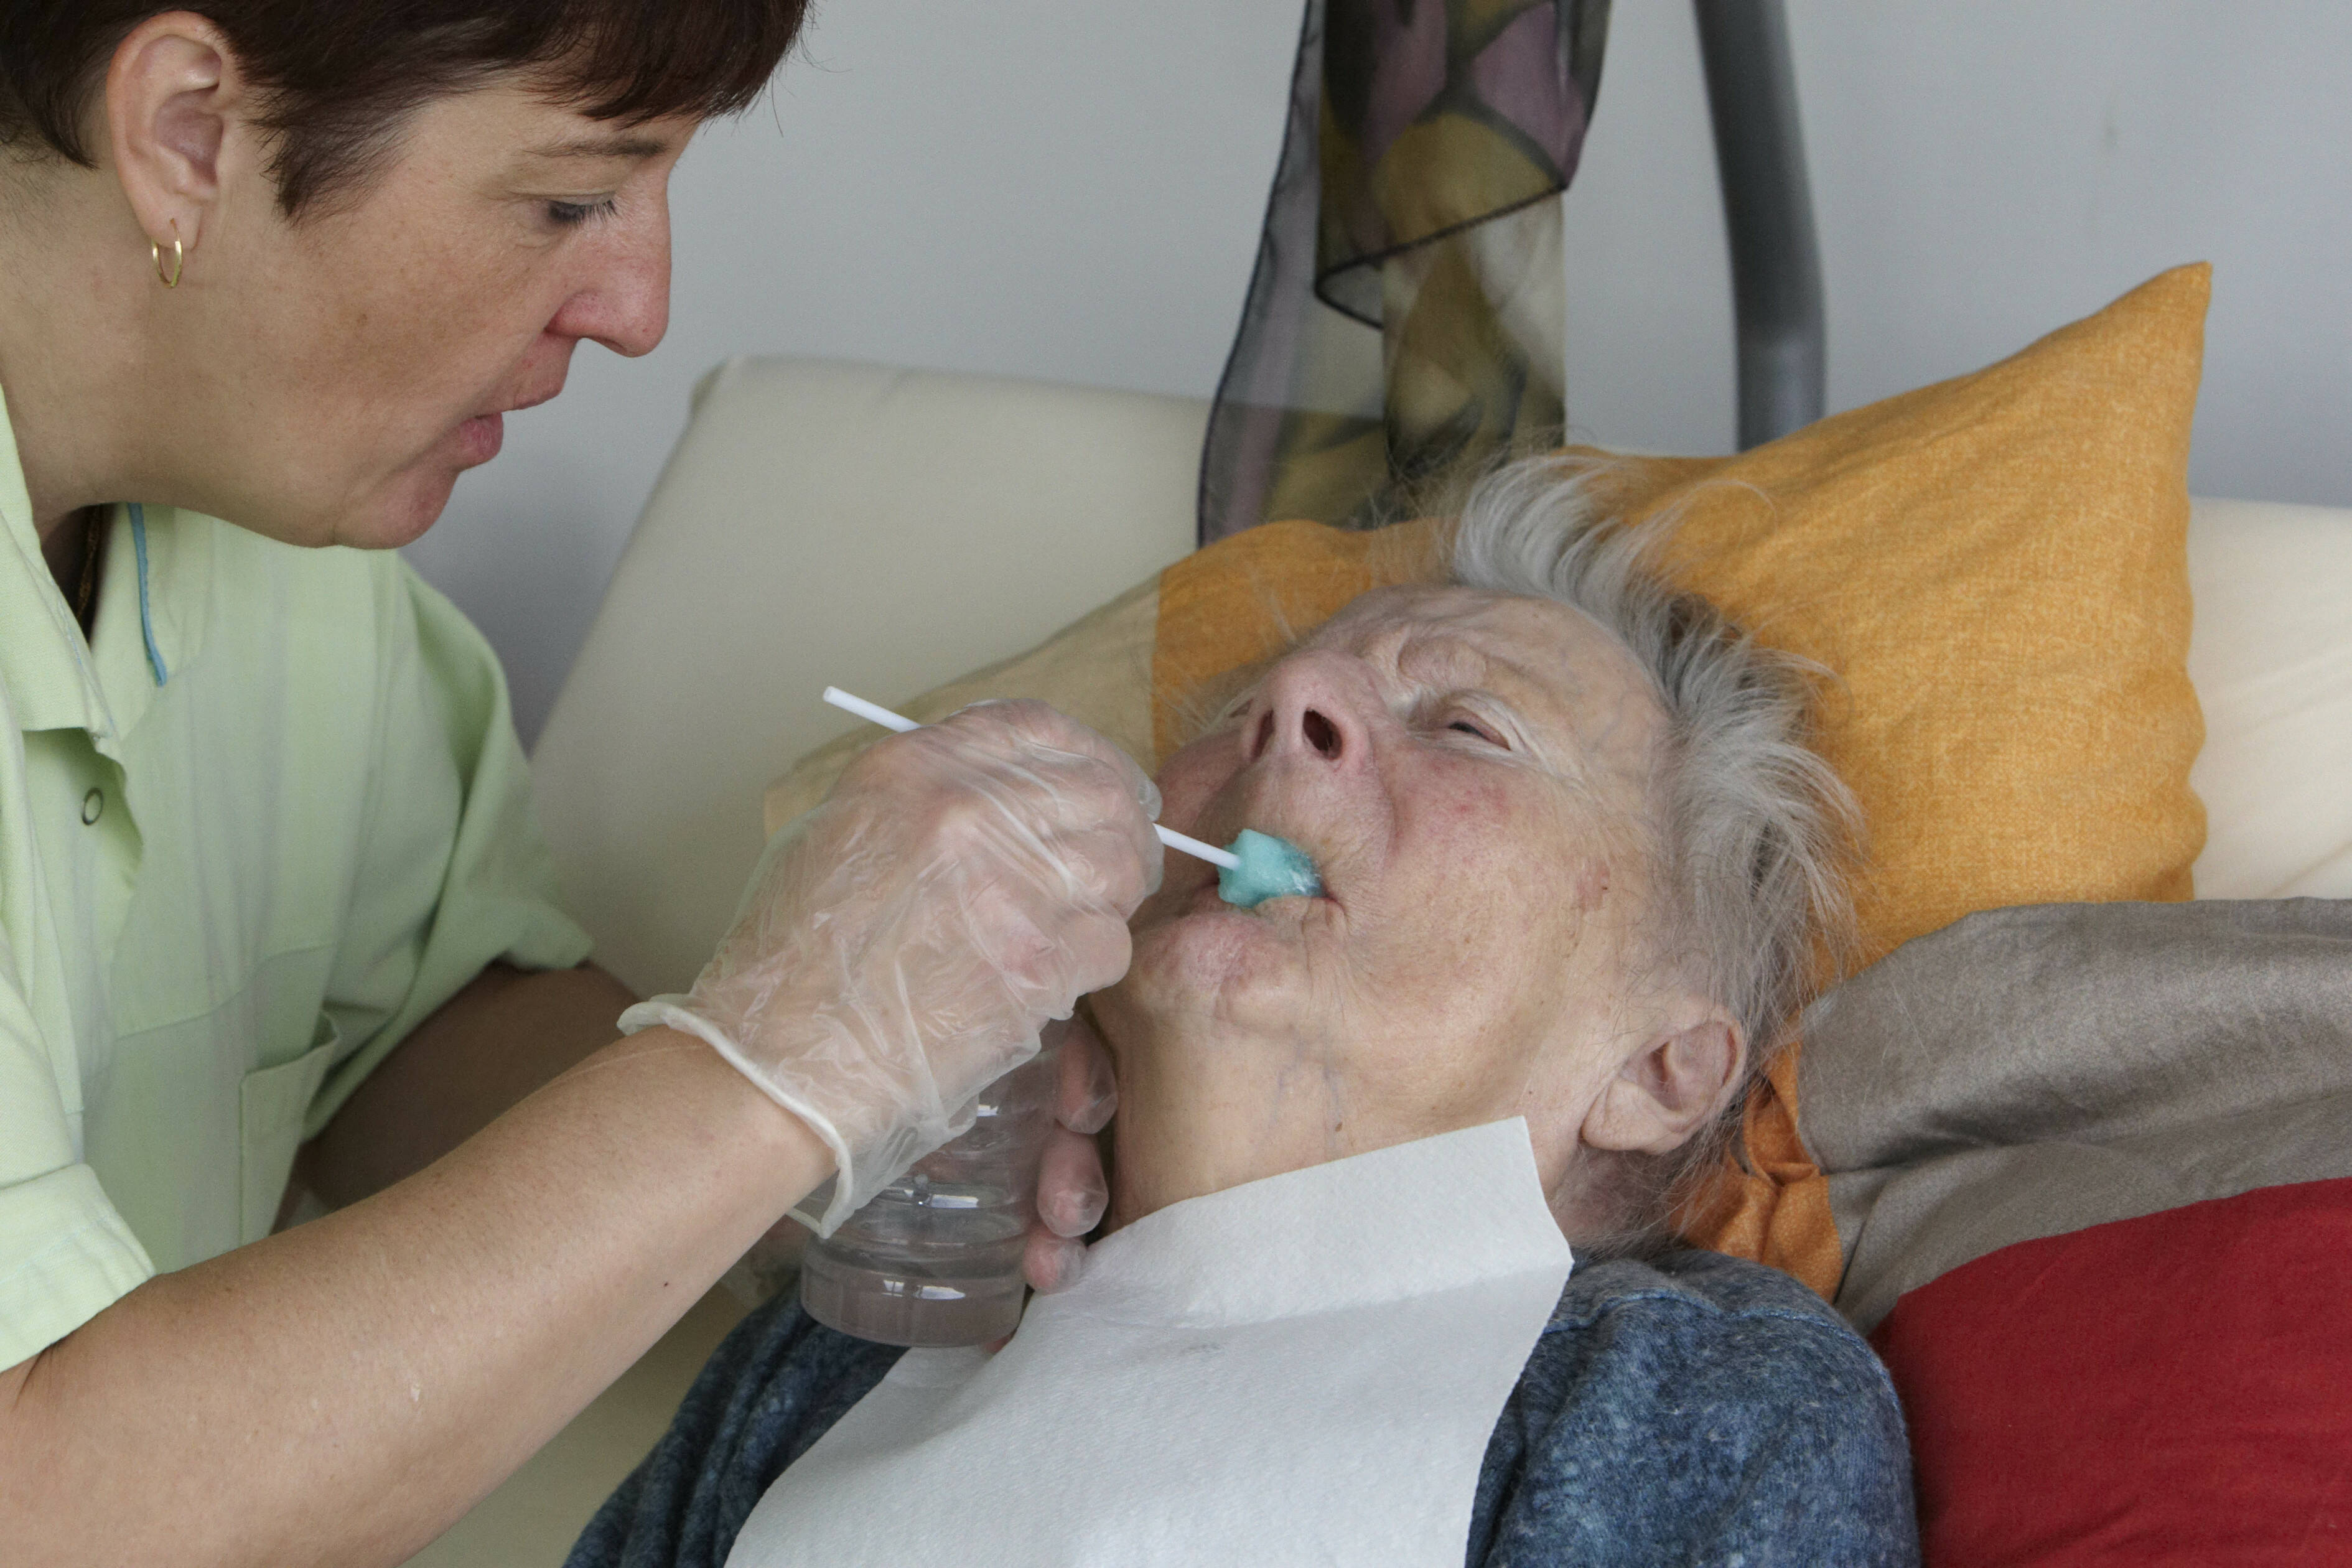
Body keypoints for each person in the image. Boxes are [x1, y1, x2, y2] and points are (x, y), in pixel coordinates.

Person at [0, 6, 1154, 1564]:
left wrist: (858, 1125)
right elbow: (50, 1507)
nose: (639, 308)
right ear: (191, 130)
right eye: (566, 200)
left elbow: (410, 1020)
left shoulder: (284, 539)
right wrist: (769, 1065)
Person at [567, 460, 1922, 1567]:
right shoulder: (843, 1343)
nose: (1292, 703)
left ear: (1663, 1068)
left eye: (1467, 728)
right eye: (1243, 710)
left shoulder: (1697, 1399)